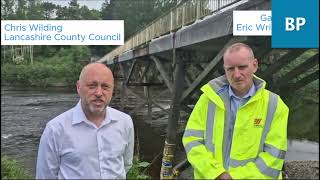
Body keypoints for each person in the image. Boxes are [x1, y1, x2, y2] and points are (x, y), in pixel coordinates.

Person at [182, 43, 289, 179]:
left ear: (255, 65)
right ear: (224, 70)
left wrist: (234, 177)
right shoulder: (208, 99)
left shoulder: (275, 105)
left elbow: (274, 156)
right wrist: (216, 173)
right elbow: (192, 141)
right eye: (230, 69)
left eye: (242, 67)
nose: (237, 74)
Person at [36, 63, 134, 179]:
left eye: (105, 87)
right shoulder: (56, 129)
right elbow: (45, 176)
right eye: (92, 86)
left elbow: (126, 164)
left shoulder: (125, 122)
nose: (98, 93)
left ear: (113, 89)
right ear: (78, 87)